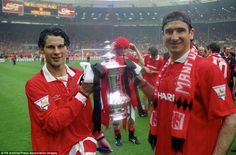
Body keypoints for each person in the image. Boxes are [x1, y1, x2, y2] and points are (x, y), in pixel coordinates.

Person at [136, 11, 236, 155]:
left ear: (191, 33)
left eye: (181, 30)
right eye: (169, 31)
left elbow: (230, 118)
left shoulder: (207, 69)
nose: (174, 37)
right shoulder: (167, 66)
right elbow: (163, 99)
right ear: (162, 35)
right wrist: (140, 81)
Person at [25, 27, 112, 155]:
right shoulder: (35, 85)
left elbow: (86, 114)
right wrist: (82, 94)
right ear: (41, 49)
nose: (57, 52)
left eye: (61, 46)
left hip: (82, 147)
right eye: (50, 47)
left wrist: (99, 136)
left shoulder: (80, 75)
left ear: (67, 48)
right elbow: (53, 123)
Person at [100, 36, 141, 146]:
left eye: (123, 48)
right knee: (115, 118)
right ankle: (118, 138)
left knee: (132, 117)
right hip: (115, 93)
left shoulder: (128, 58)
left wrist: (135, 48)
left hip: (130, 92)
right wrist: (110, 49)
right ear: (116, 49)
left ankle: (132, 137)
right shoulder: (112, 59)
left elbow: (141, 64)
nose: (121, 50)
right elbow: (101, 66)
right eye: (119, 48)